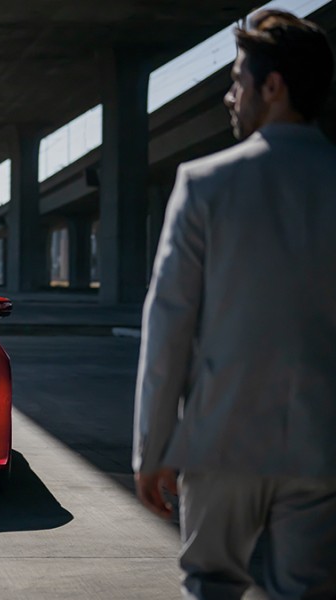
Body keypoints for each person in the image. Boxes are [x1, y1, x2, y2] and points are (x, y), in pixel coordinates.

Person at [132, 9, 336, 599]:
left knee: (211, 584)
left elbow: (168, 326)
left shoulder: (203, 184)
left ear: (273, 87)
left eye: (238, 79)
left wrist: (153, 448)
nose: (230, 95)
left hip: (221, 442)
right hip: (322, 446)